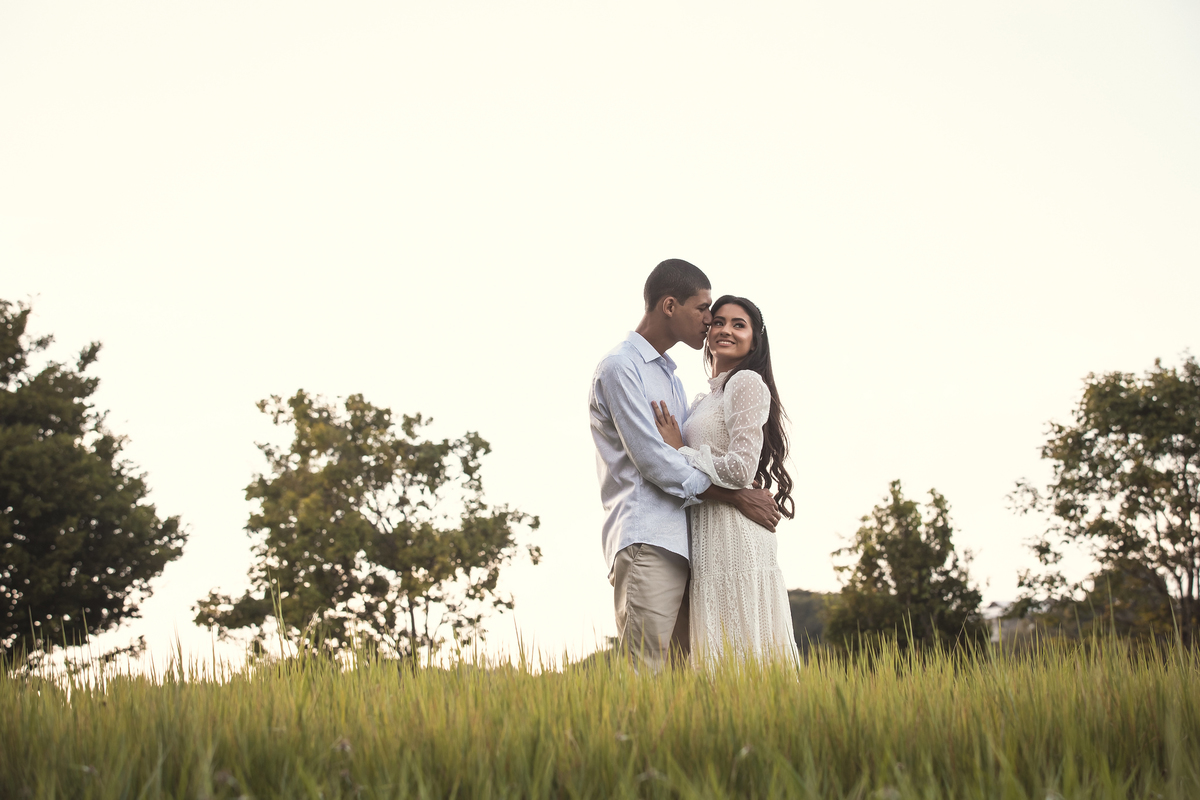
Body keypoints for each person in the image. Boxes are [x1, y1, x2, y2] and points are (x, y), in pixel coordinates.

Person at [589, 261, 783, 672]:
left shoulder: (674, 381)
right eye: (704, 310)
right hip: (649, 539)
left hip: (694, 547)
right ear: (671, 306)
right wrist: (736, 498)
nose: (711, 321)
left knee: (686, 677)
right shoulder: (621, 368)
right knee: (646, 670)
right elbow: (655, 460)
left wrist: (728, 496)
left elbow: (684, 450)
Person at [651, 295, 800, 665]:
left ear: (754, 339)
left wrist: (679, 450)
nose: (726, 330)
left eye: (739, 325)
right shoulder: (705, 398)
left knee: (744, 655)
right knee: (719, 657)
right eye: (719, 322)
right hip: (709, 537)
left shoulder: (746, 381)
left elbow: (740, 470)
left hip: (736, 536)